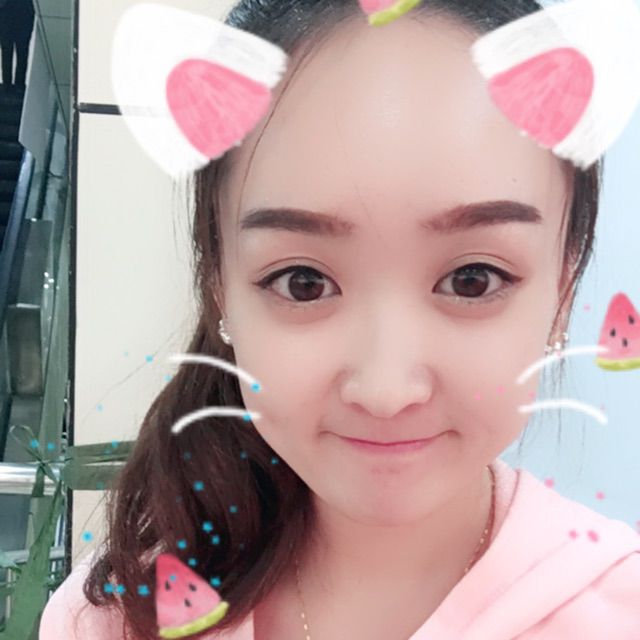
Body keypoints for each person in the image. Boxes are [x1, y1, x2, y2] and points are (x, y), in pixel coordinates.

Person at [39, 1, 640, 639]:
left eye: (473, 279)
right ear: (220, 289)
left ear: (563, 287)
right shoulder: (108, 620)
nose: (386, 391)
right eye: (304, 283)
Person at [0, 0, 35, 92]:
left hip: (21, 13)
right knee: (9, 51)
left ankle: (14, 85)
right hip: (10, 13)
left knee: (19, 52)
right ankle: (9, 85)